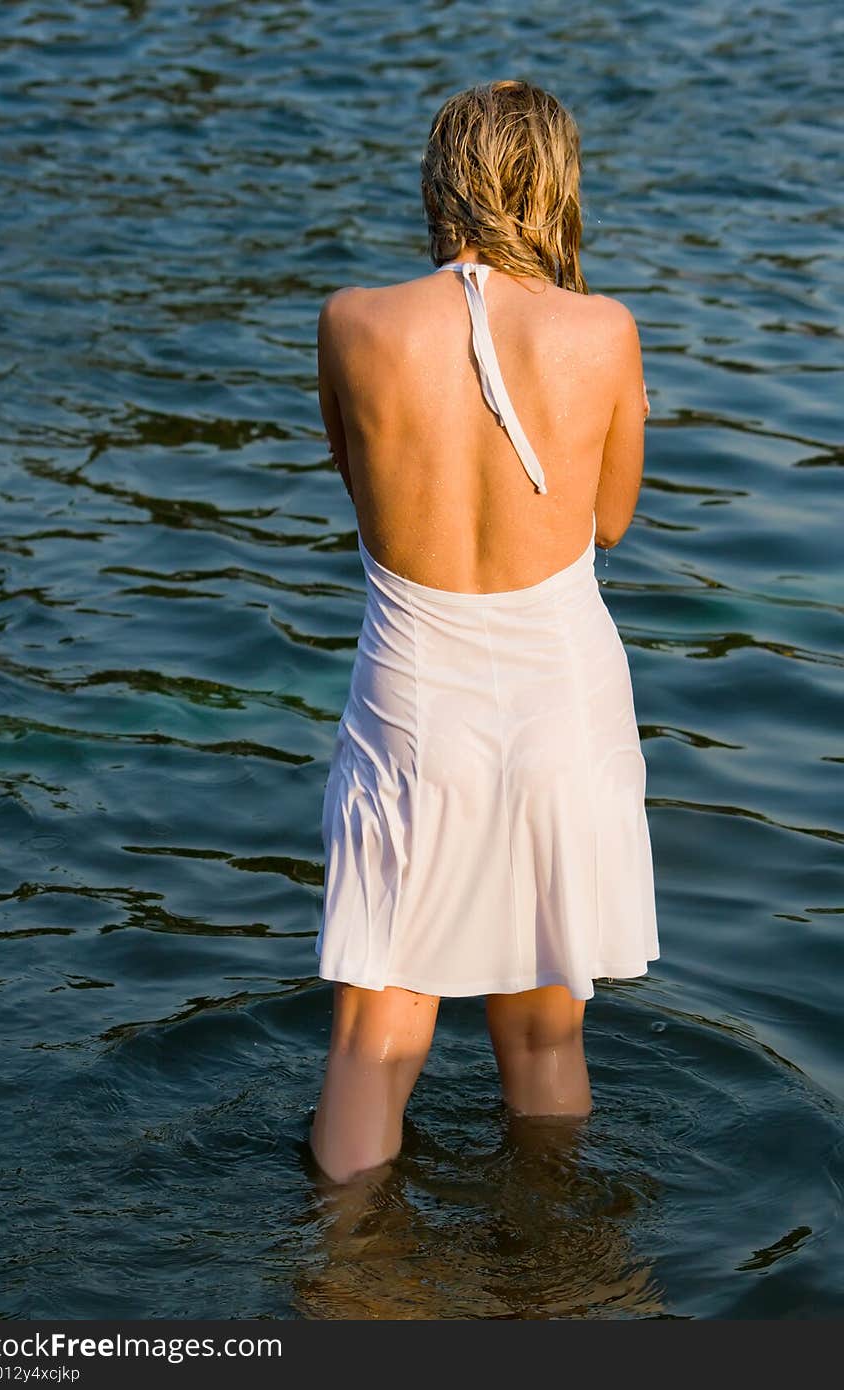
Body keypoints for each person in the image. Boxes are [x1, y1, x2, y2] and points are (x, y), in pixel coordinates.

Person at [309, 79, 659, 1186]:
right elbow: (606, 522)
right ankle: (550, 1281)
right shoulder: (602, 331)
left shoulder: (352, 322)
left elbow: (364, 496)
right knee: (546, 1033)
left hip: (414, 686)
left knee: (374, 1039)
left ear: (440, 177)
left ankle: (348, 1280)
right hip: (559, 690)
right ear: (555, 185)